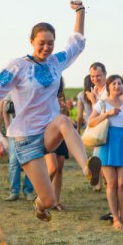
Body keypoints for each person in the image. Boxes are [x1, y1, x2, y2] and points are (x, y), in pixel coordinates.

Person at [0, 0, 97, 222]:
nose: (46, 48)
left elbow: (76, 45)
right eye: (41, 43)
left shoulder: (56, 62)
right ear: (31, 41)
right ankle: (39, 203)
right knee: (50, 200)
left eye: (50, 43)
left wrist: (80, 12)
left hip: (47, 132)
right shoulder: (18, 66)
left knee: (64, 120)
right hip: (25, 139)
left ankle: (87, 168)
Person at [89, 75, 123, 230]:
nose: (117, 86)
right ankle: (115, 218)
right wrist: (107, 114)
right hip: (106, 143)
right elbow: (91, 122)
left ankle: (122, 216)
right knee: (112, 183)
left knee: (122, 184)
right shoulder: (102, 103)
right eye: (113, 84)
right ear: (108, 86)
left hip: (122, 143)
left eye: (120, 83)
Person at [2, 92, 34, 201]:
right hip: (14, 132)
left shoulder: (32, 88)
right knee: (14, 162)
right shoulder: (12, 90)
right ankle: (14, 191)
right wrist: (7, 127)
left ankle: (28, 191)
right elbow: (4, 109)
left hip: (30, 131)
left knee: (30, 162)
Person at [45, 78, 70, 211]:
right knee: (52, 167)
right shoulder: (43, 93)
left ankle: (56, 201)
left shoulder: (61, 95)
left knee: (59, 167)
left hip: (60, 133)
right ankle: (43, 197)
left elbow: (65, 116)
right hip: (47, 132)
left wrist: (64, 109)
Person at [85, 62, 108, 192]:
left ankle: (104, 182)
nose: (95, 79)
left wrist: (93, 100)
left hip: (106, 128)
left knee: (103, 158)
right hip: (96, 128)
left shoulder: (108, 90)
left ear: (105, 74)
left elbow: (101, 111)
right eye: (92, 76)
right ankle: (99, 182)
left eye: (98, 76)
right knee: (97, 158)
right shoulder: (93, 89)